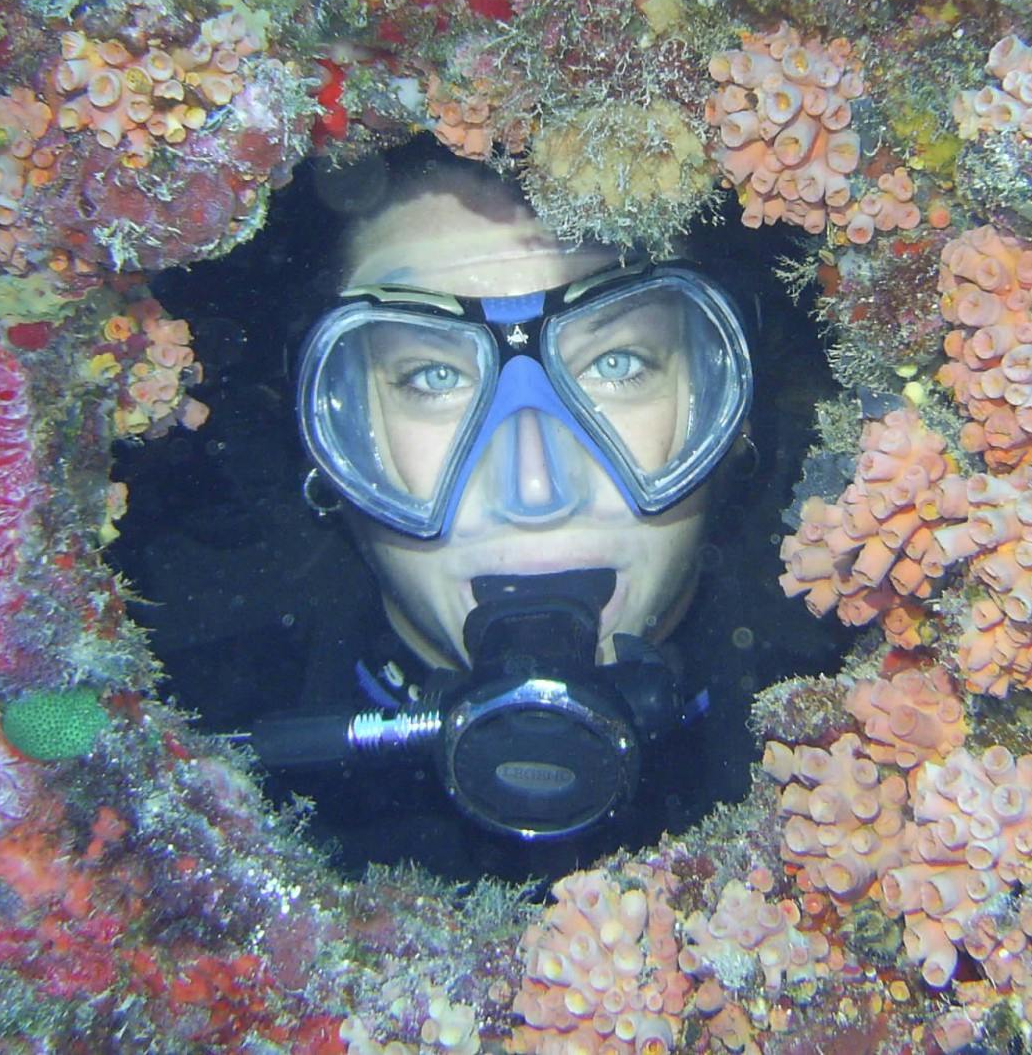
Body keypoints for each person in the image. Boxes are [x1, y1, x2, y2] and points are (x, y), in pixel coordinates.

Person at [256, 154, 755, 857]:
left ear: (727, 417)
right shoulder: (227, 761)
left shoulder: (863, 695)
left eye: (618, 363)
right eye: (432, 376)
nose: (537, 493)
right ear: (330, 449)